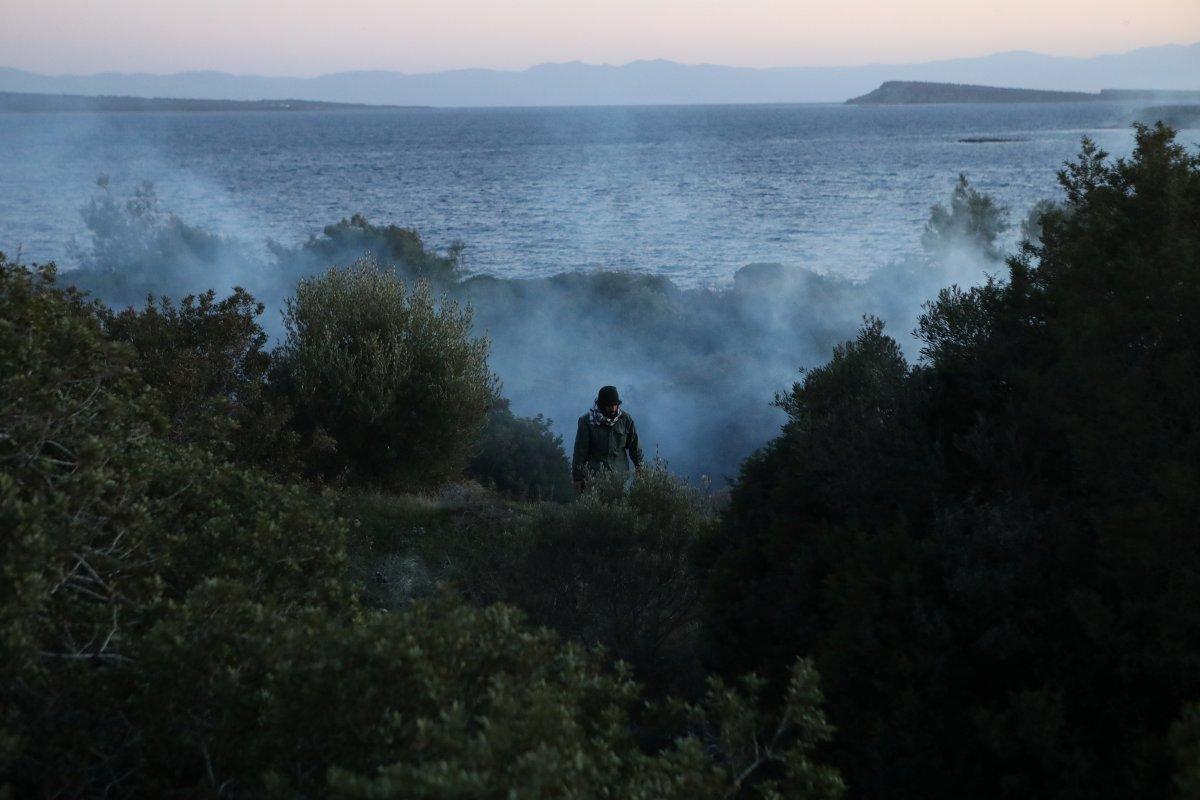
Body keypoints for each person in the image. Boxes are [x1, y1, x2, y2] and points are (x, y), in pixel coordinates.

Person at [572, 385, 643, 492]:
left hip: (620, 477)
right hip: (595, 478)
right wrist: (577, 477)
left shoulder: (625, 420)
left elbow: (634, 447)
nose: (613, 409)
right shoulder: (587, 422)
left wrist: (640, 468)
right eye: (609, 406)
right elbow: (580, 451)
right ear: (601, 405)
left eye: (616, 405)